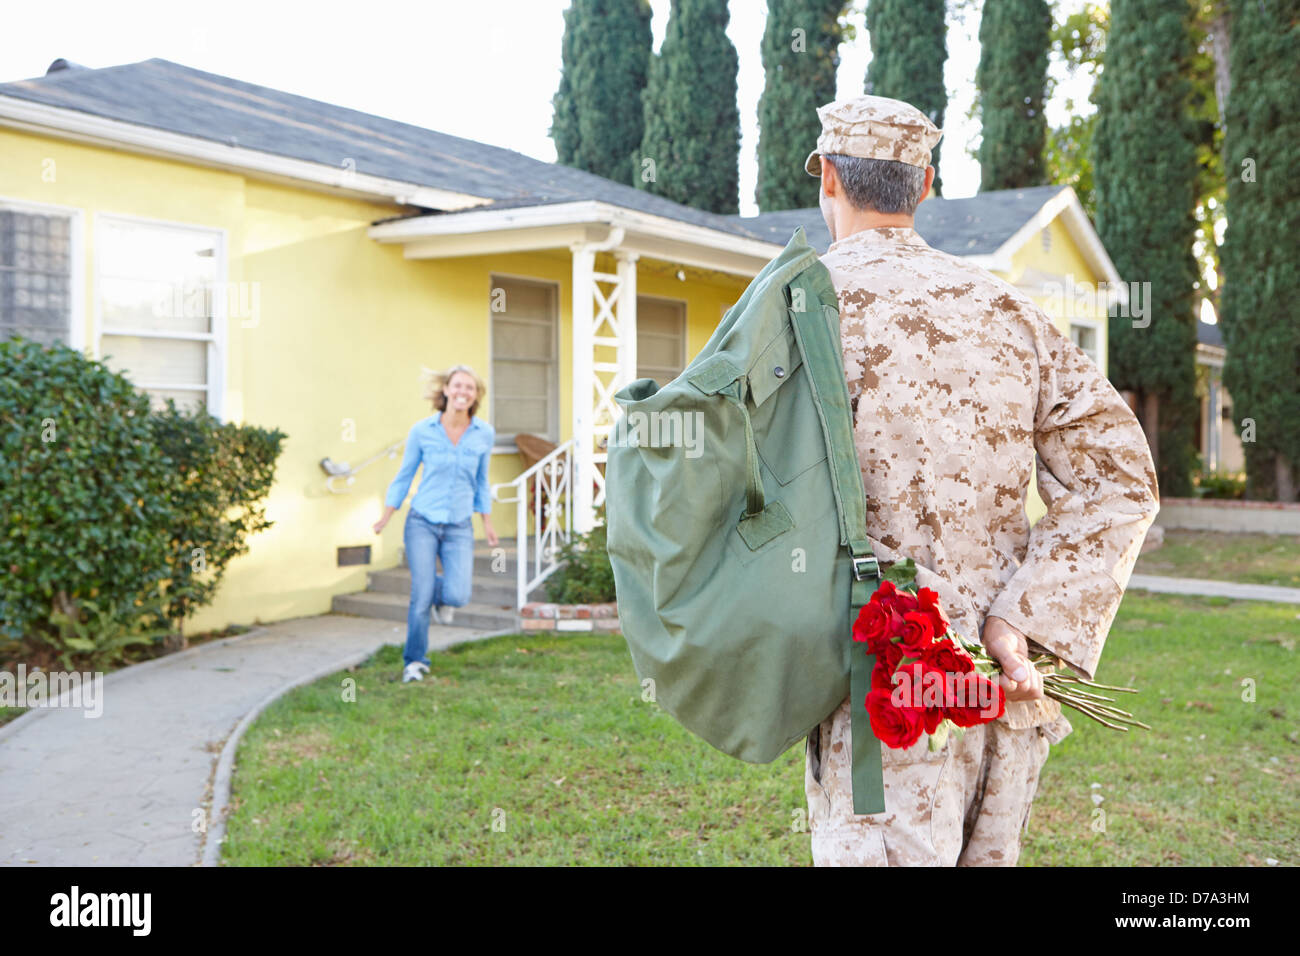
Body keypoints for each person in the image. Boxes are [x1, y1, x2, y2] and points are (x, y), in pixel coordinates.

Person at [802, 95, 1160, 866]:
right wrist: (1022, 619)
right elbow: (1122, 479)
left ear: (828, 178)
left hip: (883, 689)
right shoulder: (1010, 310)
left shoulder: (795, 311)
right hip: (1001, 684)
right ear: (924, 184)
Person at [373, 364, 499, 683]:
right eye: (457, 386)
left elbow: (482, 481)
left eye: (469, 388)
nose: (462, 392)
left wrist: (487, 522)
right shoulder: (422, 431)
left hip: (459, 525)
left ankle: (439, 595)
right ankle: (414, 661)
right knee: (420, 594)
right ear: (445, 390)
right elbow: (405, 476)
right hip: (422, 522)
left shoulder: (484, 434)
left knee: (458, 595)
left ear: (476, 395)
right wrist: (386, 515)